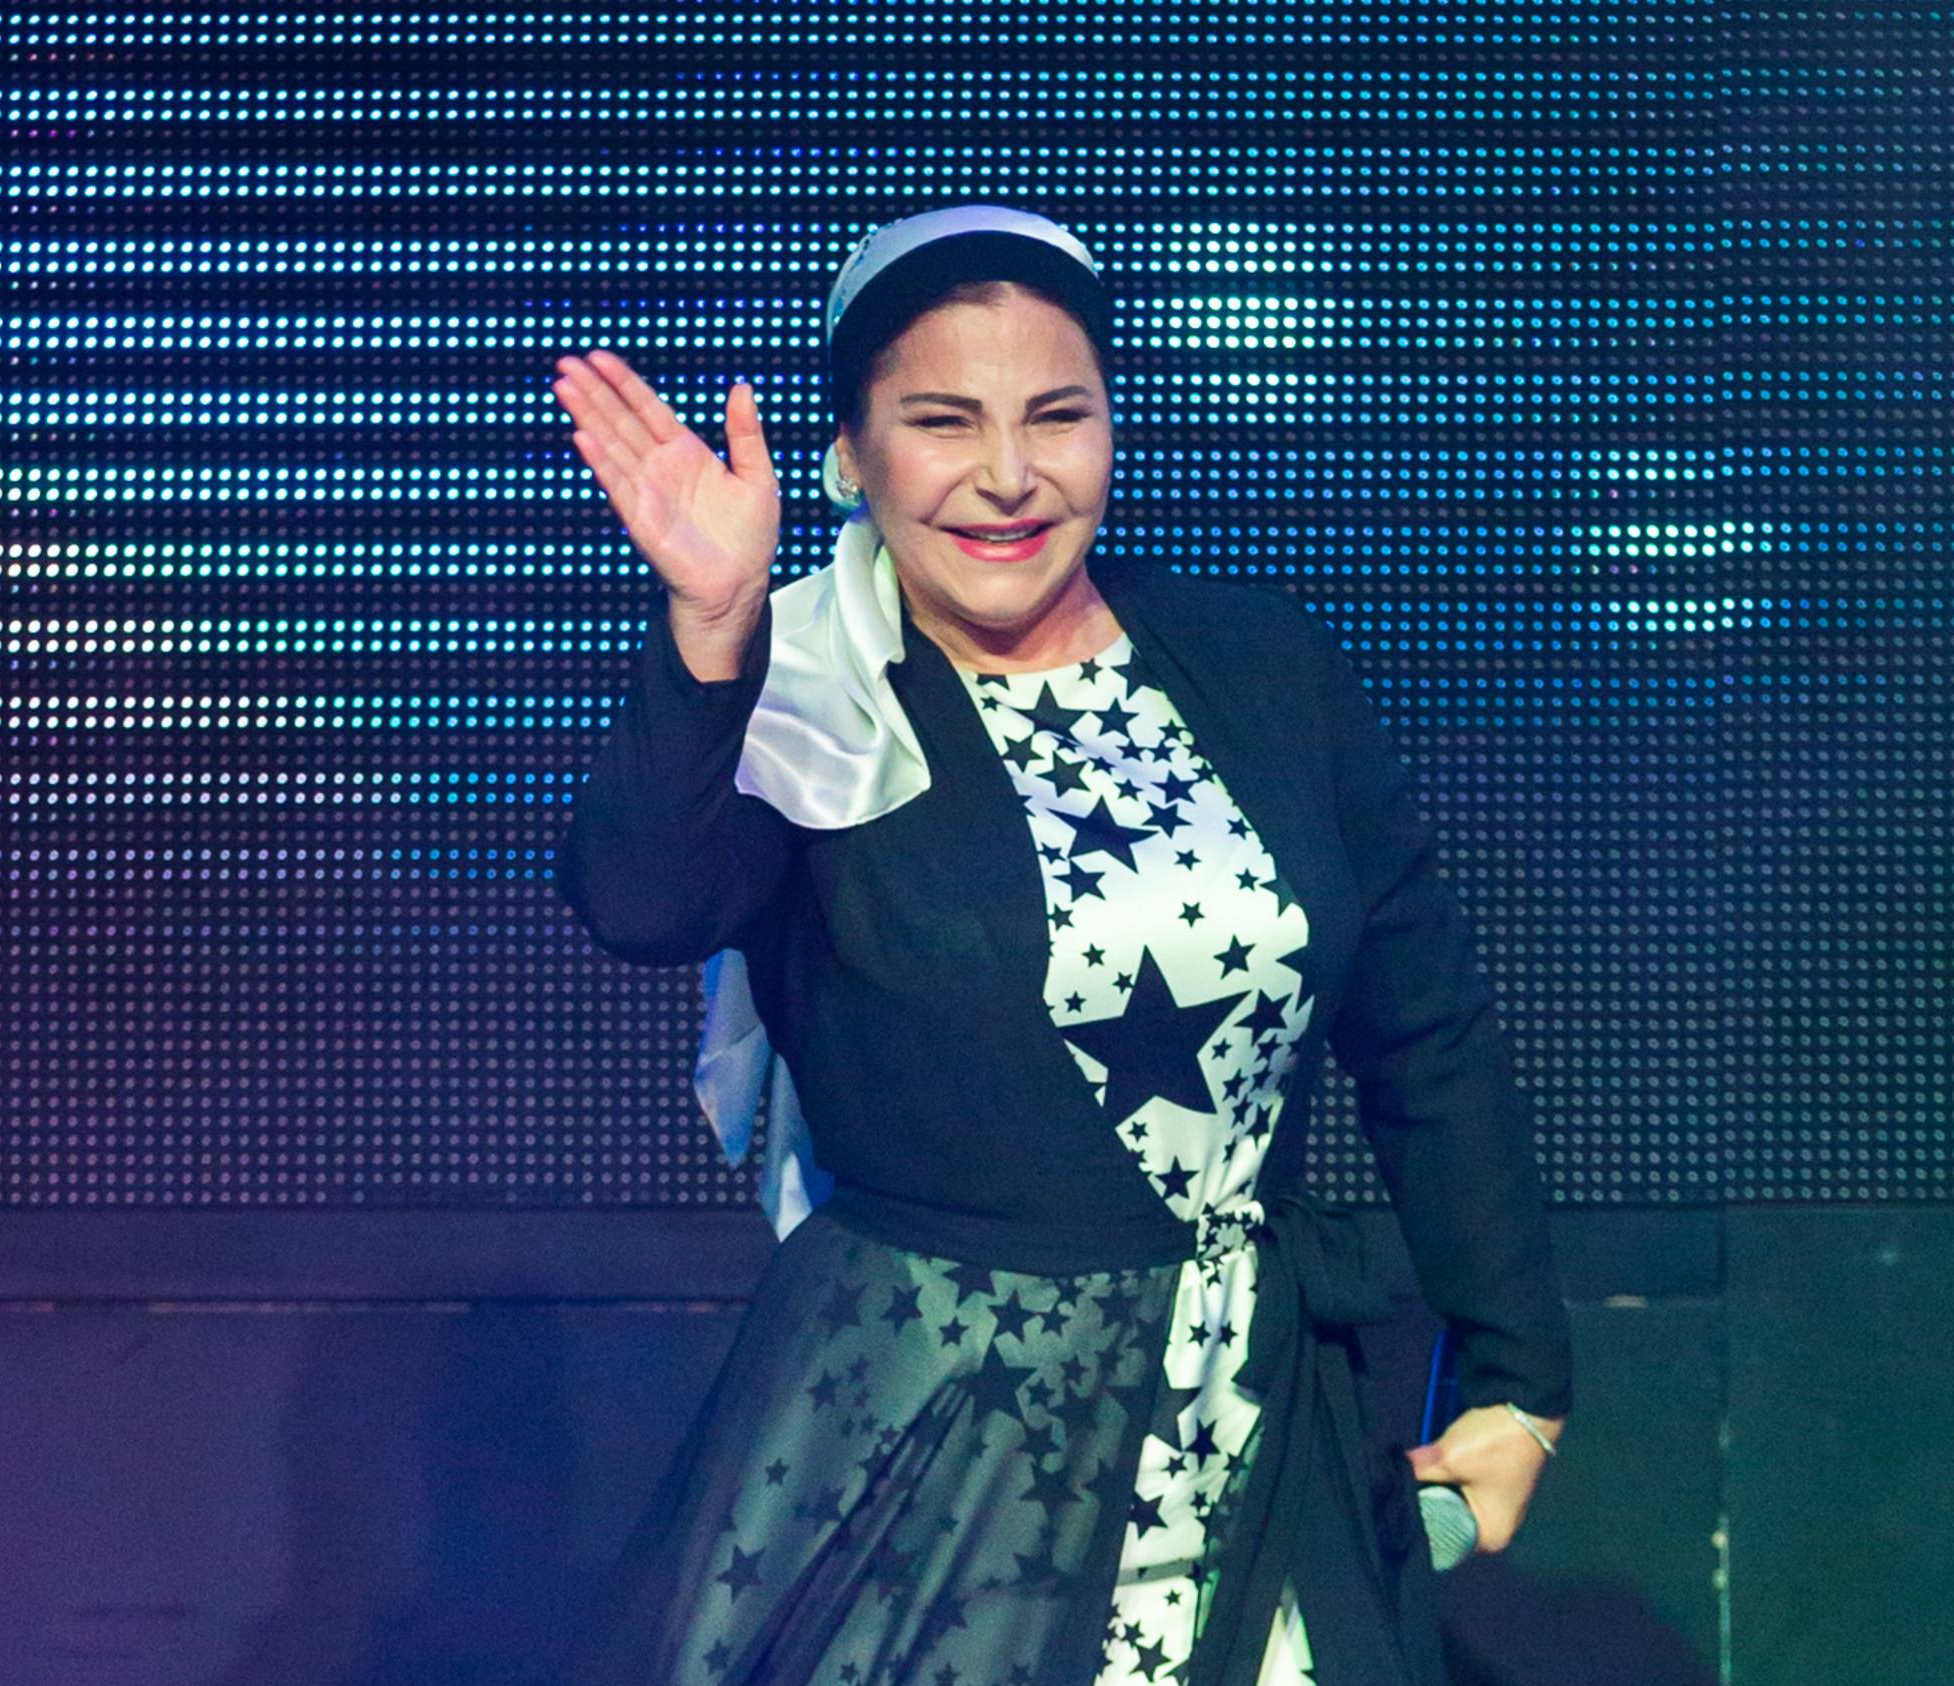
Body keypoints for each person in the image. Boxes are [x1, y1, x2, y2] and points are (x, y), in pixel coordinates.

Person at [548, 204, 1572, 1686]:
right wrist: (714, 625)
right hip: (938, 1451)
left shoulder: (1258, 662)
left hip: (1252, 1417)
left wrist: (1520, 1377)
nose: (1010, 474)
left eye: (1057, 415)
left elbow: (1428, 1039)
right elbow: (641, 904)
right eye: (943, 421)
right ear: (850, 453)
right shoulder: (815, 695)